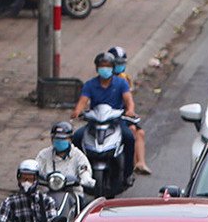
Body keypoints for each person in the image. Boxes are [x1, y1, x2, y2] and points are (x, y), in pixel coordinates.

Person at [74, 49, 142, 179]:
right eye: (102, 66)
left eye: (108, 66)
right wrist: (77, 111)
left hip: (116, 121)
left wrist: (130, 110)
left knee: (129, 138)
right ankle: (79, 171)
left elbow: (128, 100)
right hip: (95, 122)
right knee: (77, 137)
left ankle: (128, 172)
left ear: (113, 68)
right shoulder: (90, 84)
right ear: (97, 68)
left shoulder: (121, 83)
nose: (105, 69)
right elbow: (83, 101)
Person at [107, 46, 151, 178]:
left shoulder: (125, 79)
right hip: (108, 117)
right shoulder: (103, 81)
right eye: (117, 63)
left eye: (122, 63)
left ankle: (140, 163)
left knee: (140, 132)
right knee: (131, 130)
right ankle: (129, 166)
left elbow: (128, 101)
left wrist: (130, 111)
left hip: (123, 115)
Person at [36, 120, 94, 192]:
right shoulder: (43, 155)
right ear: (52, 139)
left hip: (73, 194)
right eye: (57, 139)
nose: (60, 141)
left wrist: (86, 180)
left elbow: (84, 171)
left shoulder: (78, 155)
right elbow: (36, 170)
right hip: (49, 194)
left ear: (70, 139)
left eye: (63, 139)